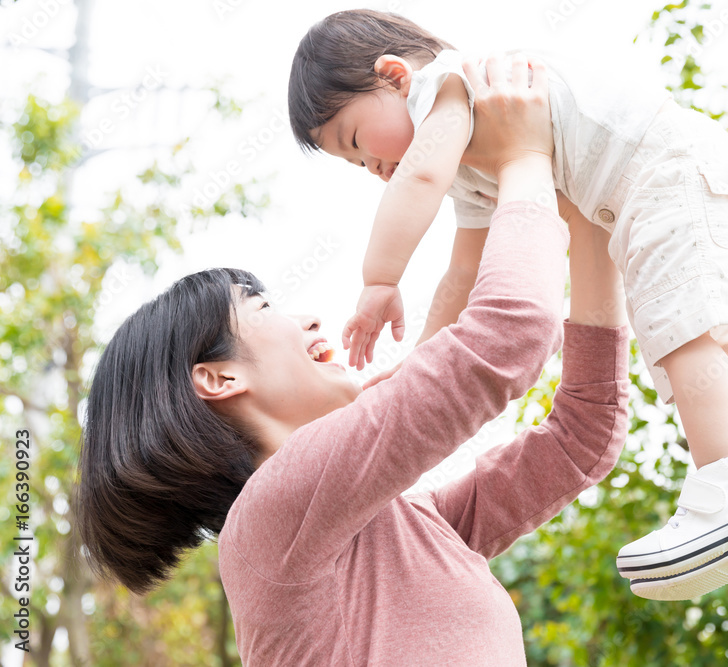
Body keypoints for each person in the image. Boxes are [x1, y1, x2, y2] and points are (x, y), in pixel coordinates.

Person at [75, 56, 633, 666]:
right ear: (217, 377)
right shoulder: (269, 518)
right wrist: (524, 160)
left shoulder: (404, 522)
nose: (310, 321)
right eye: (262, 307)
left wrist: (589, 227)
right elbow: (508, 335)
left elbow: (582, 437)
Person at [286, 9, 728, 601]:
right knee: (673, 331)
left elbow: (416, 181)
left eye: (356, 143)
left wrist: (379, 280)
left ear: (395, 77)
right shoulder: (474, 167)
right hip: (640, 199)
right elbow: (464, 271)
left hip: (669, 171)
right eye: (354, 166)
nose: (371, 169)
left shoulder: (450, 88)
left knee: (681, 331)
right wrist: (420, 358)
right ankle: (727, 483)